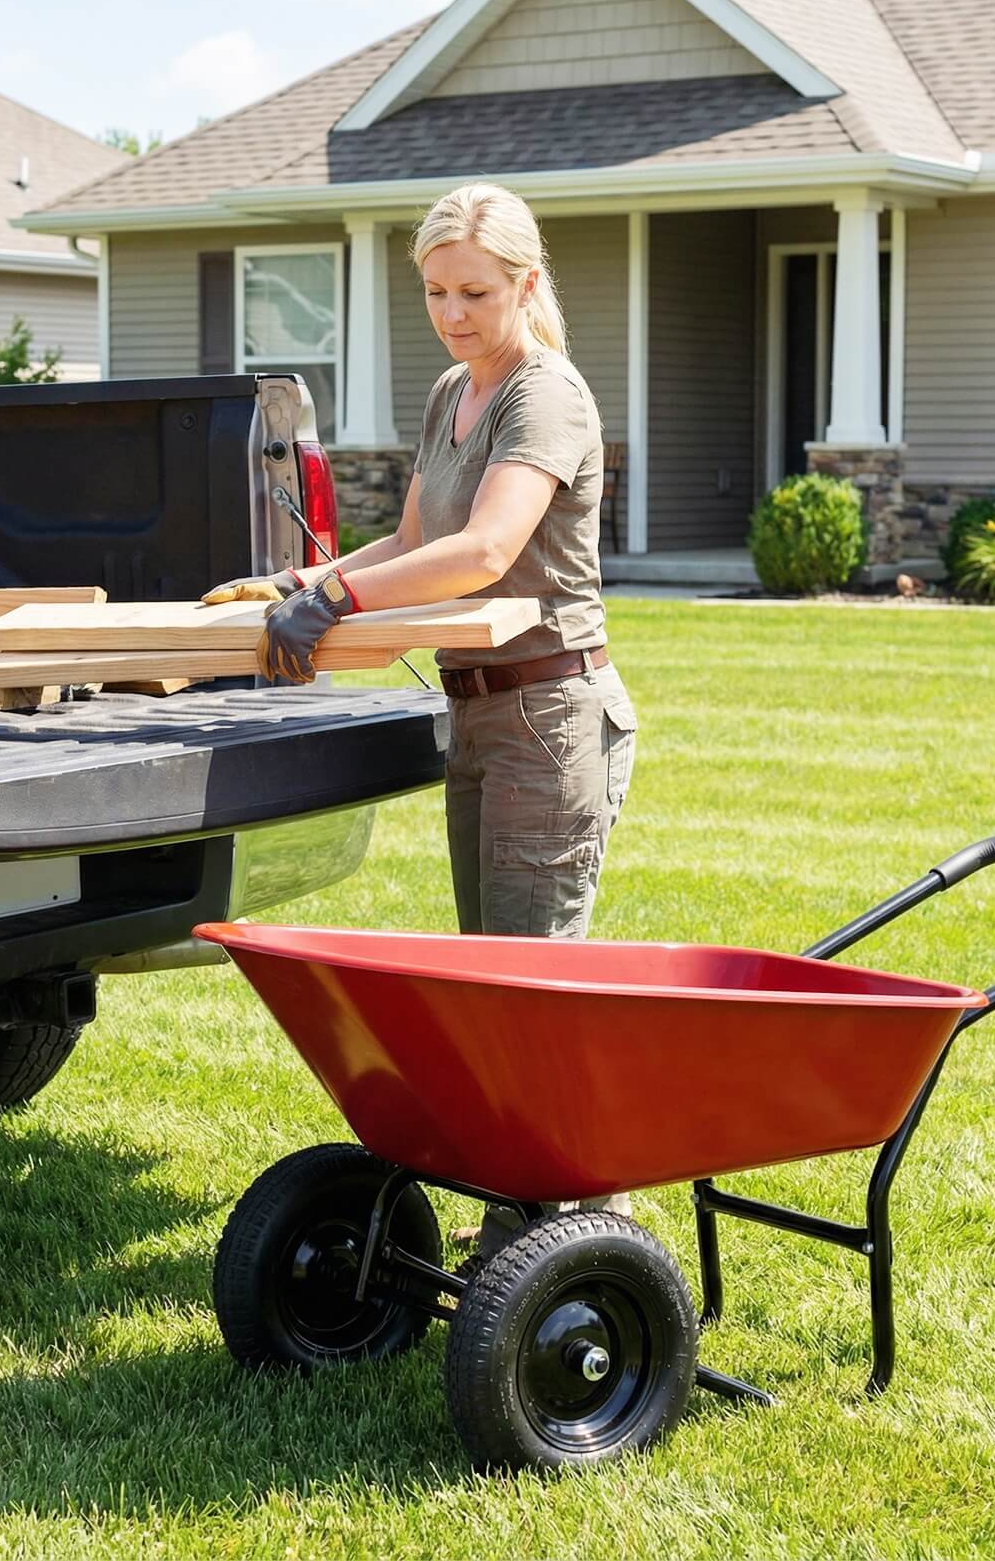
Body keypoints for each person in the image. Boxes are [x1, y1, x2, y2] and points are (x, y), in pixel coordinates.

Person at [205, 181, 638, 1228]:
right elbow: (408, 544)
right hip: (479, 711)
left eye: (476, 293)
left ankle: (573, 1232)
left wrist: (334, 598)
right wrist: (296, 586)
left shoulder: (548, 393)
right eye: (438, 292)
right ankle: (533, 1217)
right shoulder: (455, 392)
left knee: (531, 991)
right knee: (488, 981)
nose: (453, 313)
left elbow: (485, 552)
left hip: (548, 714)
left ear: (525, 284)